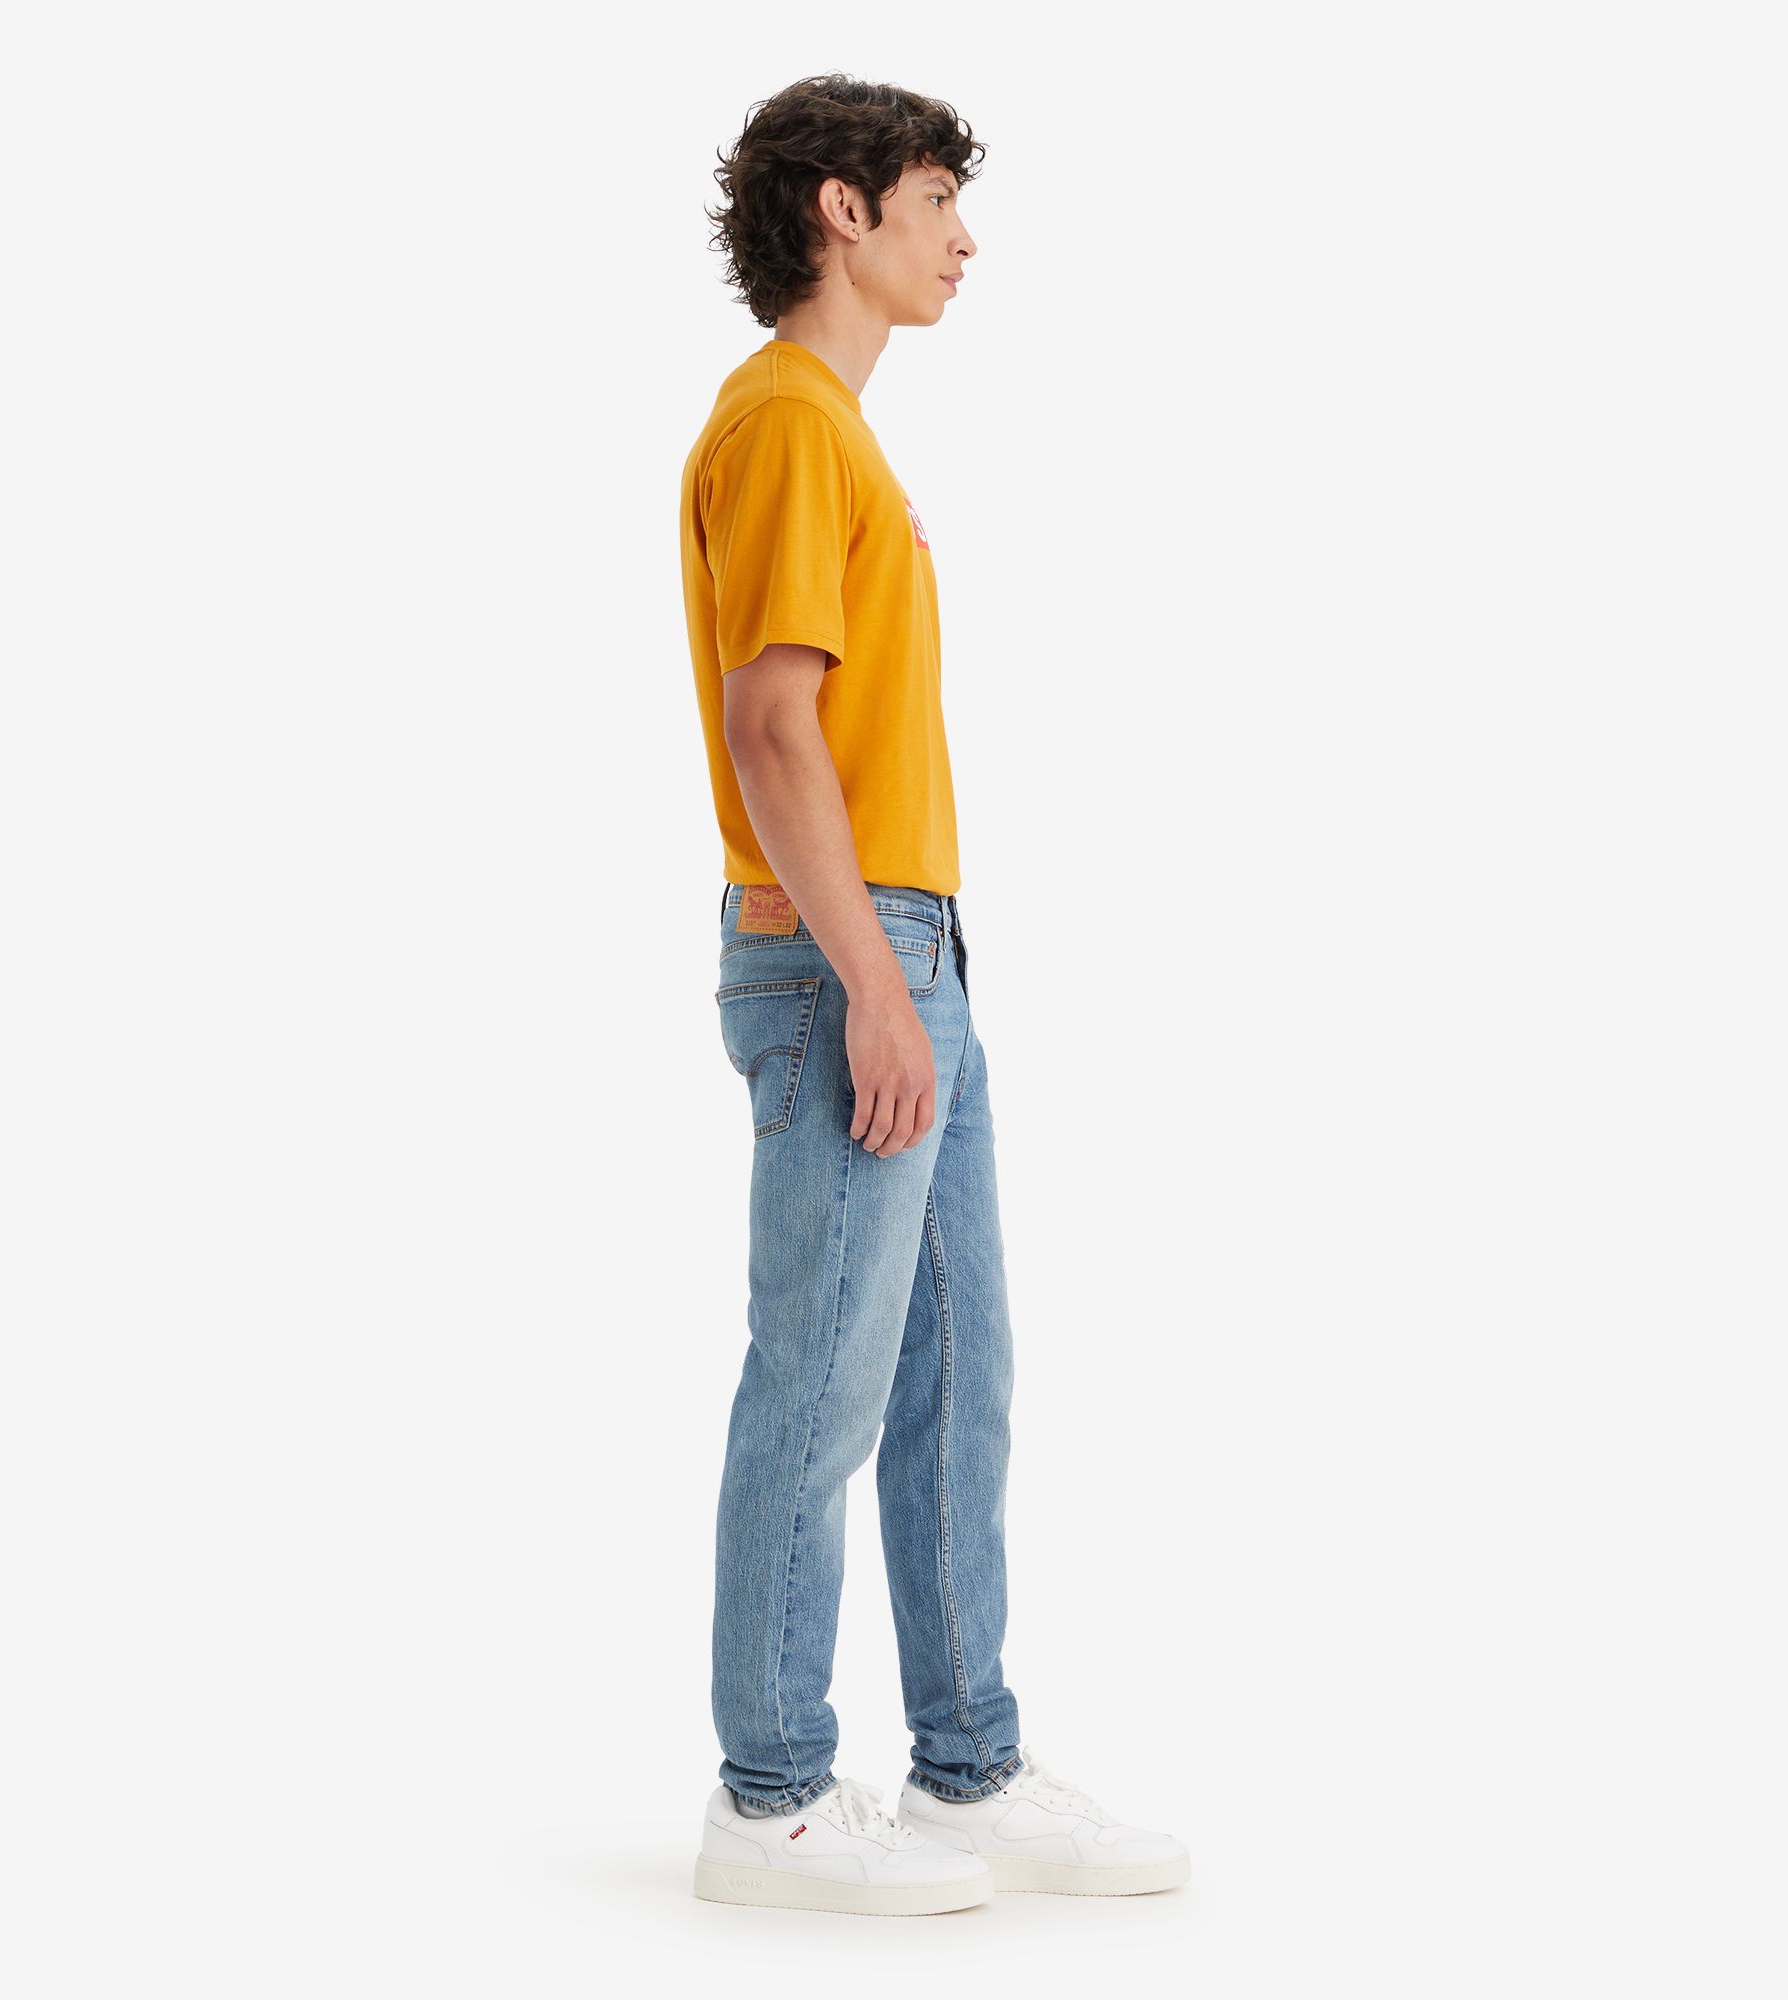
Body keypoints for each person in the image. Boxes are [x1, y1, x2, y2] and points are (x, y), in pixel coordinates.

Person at [675, 73, 1190, 1917]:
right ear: (845, 211)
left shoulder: (831, 432)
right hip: (850, 951)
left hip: (912, 941)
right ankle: (770, 1797)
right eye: (937, 200)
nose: (964, 239)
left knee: (958, 1372)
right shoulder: (785, 423)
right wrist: (868, 987)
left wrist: (915, 974)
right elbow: (773, 728)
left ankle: (966, 1760)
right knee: (821, 1376)